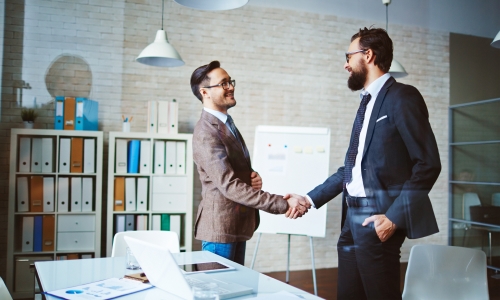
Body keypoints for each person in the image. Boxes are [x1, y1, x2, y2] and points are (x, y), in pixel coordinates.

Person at [286, 27, 441, 299]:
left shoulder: (403, 97)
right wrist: (309, 199)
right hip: (352, 217)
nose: (346, 64)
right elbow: (352, 168)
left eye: (349, 56)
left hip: (379, 216)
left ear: (368, 55)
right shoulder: (366, 103)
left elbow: (428, 164)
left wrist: (393, 218)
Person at [190, 61, 311, 265]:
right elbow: (228, 185)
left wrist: (250, 176)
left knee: (234, 294)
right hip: (219, 231)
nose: (231, 87)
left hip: (235, 226)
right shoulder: (205, 132)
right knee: (216, 294)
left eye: (230, 81)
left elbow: (230, 169)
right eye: (224, 83)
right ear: (205, 92)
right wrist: (283, 203)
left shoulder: (226, 123)